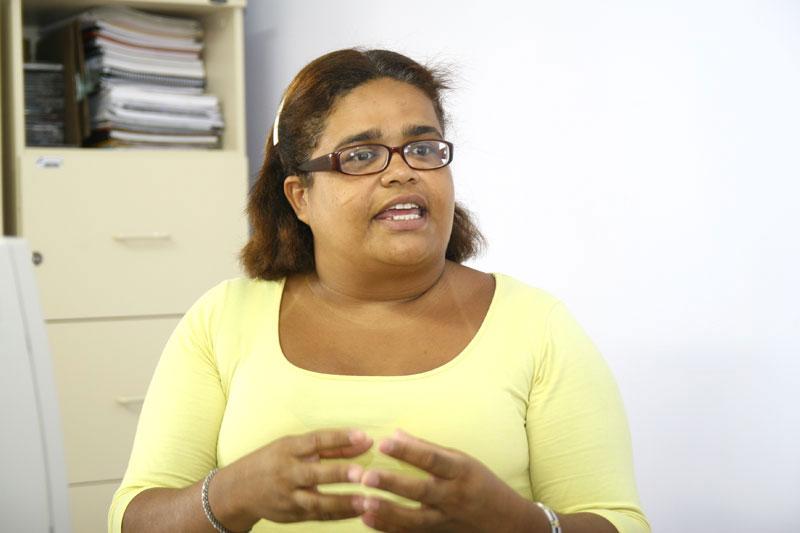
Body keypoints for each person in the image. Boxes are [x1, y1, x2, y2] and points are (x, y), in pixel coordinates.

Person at [109, 48, 650, 533]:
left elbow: (620, 522)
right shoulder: (222, 319)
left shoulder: (536, 325)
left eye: (423, 147)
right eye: (361, 155)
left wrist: (518, 525)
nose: (402, 172)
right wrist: (232, 494)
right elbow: (133, 518)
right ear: (300, 197)